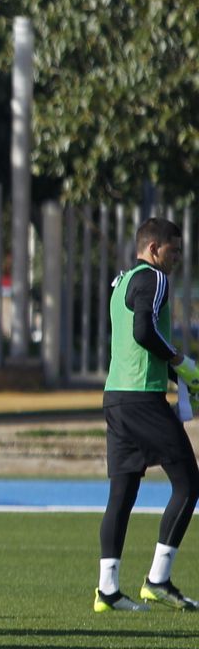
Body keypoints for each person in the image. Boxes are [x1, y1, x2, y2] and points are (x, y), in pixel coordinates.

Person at [95, 217, 199, 612]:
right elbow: (144, 332)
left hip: (116, 397)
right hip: (142, 400)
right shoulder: (154, 279)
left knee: (122, 493)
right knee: (189, 484)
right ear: (154, 248)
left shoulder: (121, 281)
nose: (177, 258)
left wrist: (178, 373)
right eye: (173, 251)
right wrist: (178, 359)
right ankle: (157, 580)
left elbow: (135, 342)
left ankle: (107, 591)